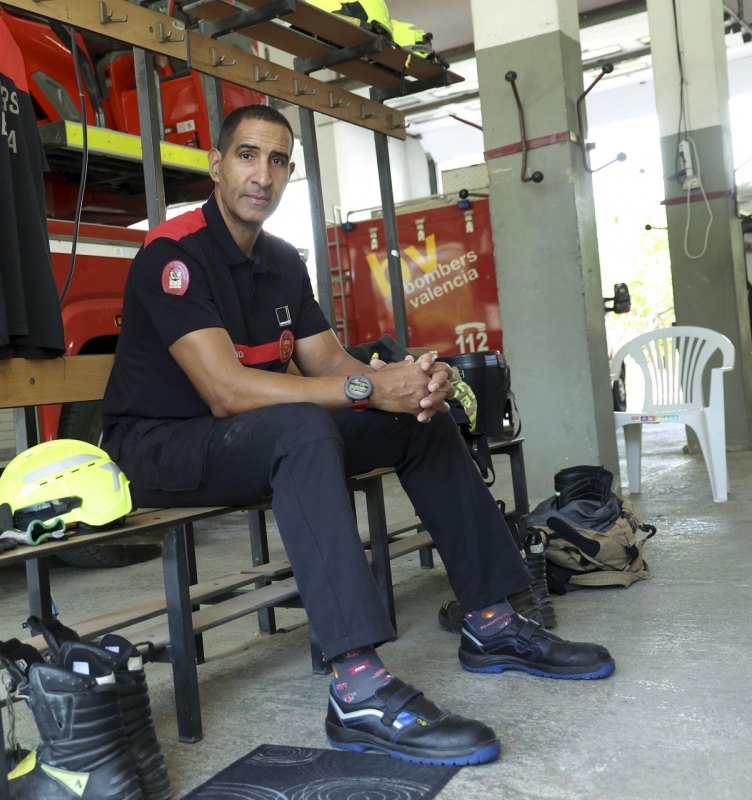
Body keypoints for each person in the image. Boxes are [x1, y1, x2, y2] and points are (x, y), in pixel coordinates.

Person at [99, 104, 615, 766]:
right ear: (216, 165)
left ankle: (492, 620)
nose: (263, 175)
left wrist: (407, 383)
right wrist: (365, 389)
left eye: (278, 161)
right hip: (158, 448)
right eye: (248, 156)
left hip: (244, 437)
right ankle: (358, 690)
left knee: (416, 421)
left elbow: (331, 366)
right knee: (304, 427)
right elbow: (226, 391)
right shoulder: (172, 254)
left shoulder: (281, 261)